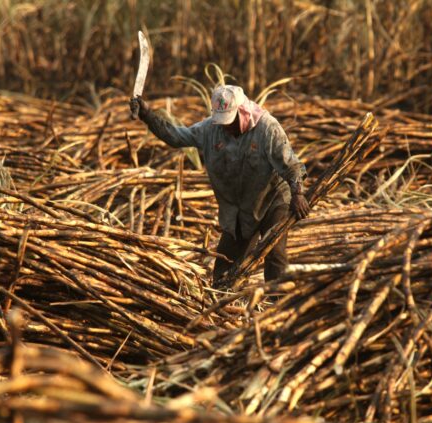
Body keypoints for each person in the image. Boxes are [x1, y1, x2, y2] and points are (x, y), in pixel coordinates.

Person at [130, 85, 309, 285]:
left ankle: (278, 306)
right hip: (241, 209)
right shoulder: (210, 130)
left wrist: (298, 193)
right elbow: (176, 136)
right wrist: (147, 115)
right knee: (225, 268)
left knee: (275, 253)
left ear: (242, 110)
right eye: (222, 121)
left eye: (230, 120)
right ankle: (226, 307)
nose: (226, 126)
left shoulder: (267, 128)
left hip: (272, 199)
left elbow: (290, 163)